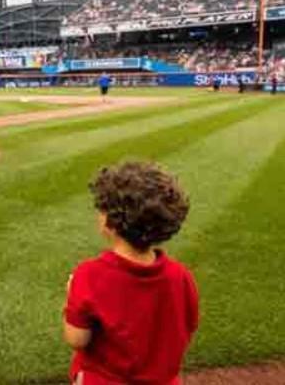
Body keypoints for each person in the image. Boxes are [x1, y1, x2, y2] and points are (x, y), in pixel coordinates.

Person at [63, 161, 198, 385]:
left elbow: (76, 338)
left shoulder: (89, 275)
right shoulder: (181, 276)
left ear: (110, 222)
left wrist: (70, 298)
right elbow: (187, 327)